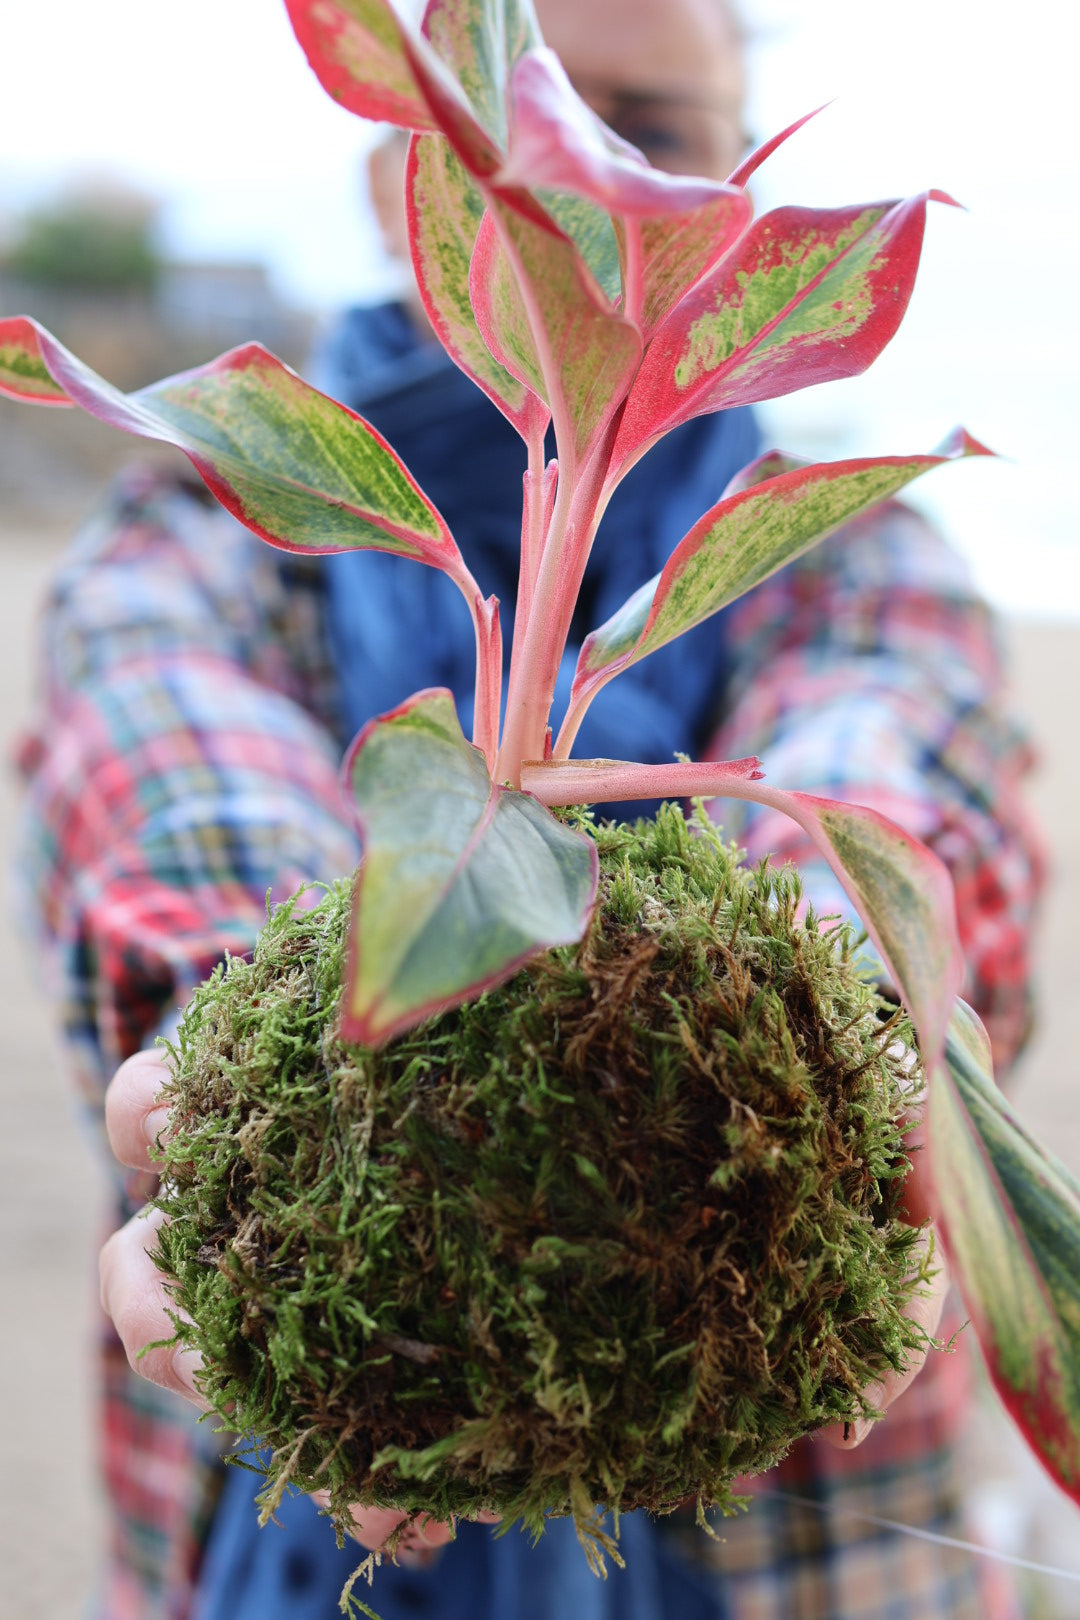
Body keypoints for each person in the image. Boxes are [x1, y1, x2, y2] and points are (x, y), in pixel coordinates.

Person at [20, 0, 1042, 1614]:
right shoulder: (204, 523)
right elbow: (170, 791)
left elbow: (878, 751)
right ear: (397, 189)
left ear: (737, 204)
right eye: (534, 122)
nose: (600, 177)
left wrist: (846, 1053)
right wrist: (235, 1069)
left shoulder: (850, 558)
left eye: (660, 127)